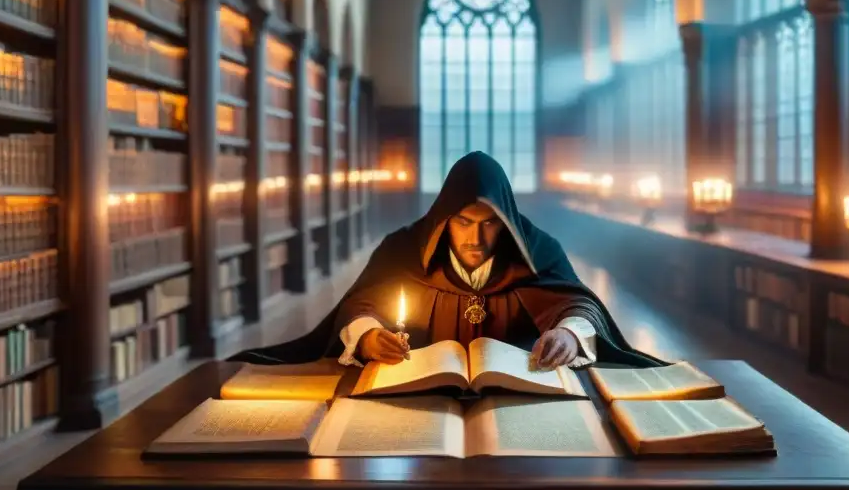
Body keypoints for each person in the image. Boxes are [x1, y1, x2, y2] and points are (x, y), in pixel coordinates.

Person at [231, 151, 667, 369]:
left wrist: (571, 336)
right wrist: (367, 337)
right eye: (462, 221)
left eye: (489, 224)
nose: (475, 238)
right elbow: (358, 306)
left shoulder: (538, 249)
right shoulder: (404, 249)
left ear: (506, 222)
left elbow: (580, 304)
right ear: (444, 219)